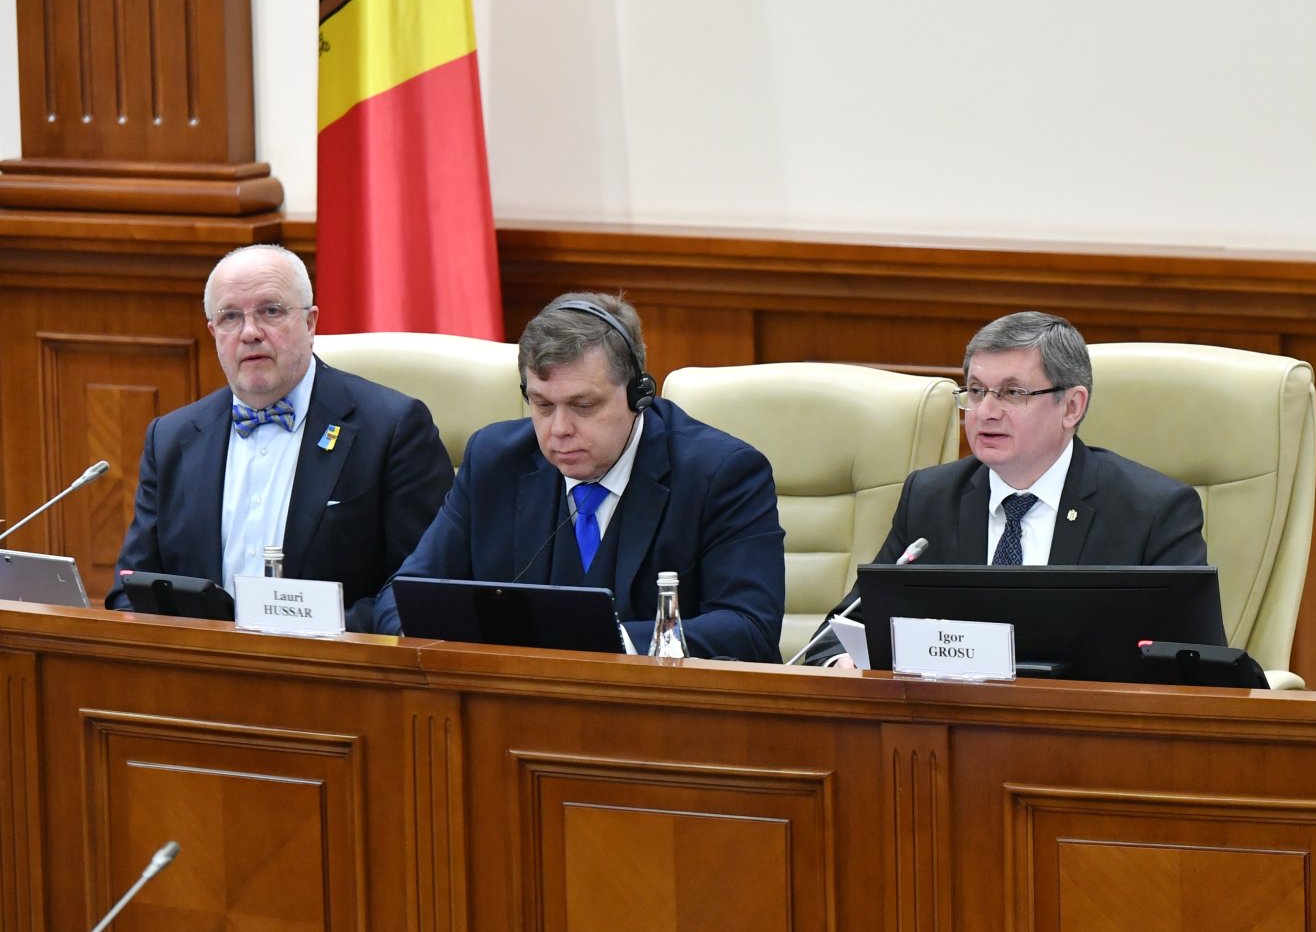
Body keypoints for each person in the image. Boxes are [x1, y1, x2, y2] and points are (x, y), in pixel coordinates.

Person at [373, 292, 785, 661]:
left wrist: (606, 642)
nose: (559, 429)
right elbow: (404, 594)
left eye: (583, 406)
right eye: (542, 405)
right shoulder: (495, 460)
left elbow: (749, 627)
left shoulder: (721, 474)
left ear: (639, 395)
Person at [803, 311, 1219, 667]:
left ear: (1072, 406)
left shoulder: (1151, 511)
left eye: (1012, 393)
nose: (986, 411)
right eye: (976, 391)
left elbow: (1195, 662)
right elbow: (839, 635)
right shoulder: (932, 498)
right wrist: (843, 662)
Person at [107, 245, 453, 633]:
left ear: (310, 323)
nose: (250, 333)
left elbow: (417, 590)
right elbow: (130, 590)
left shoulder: (392, 429)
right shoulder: (171, 438)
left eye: (270, 311)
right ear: (213, 332)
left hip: (332, 662)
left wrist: (312, 629)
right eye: (230, 317)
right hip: (201, 662)